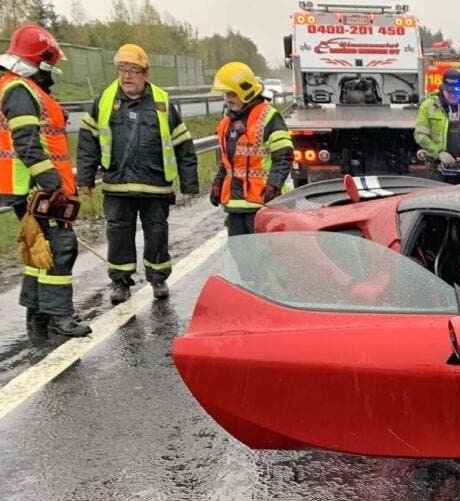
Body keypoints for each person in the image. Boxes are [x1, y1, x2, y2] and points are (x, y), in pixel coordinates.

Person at [76, 44, 200, 304]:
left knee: (156, 234)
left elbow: (182, 143)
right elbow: (88, 141)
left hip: (155, 186)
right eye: (122, 69)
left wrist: (189, 183)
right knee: (119, 235)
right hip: (117, 186)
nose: (126, 76)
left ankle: (158, 278)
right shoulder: (105, 101)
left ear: (145, 74)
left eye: (133, 70)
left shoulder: (162, 102)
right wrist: (85, 178)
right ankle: (120, 282)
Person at [0, 25, 91, 340]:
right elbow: (27, 144)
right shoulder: (20, 90)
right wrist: (52, 185)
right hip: (36, 188)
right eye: (50, 63)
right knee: (60, 248)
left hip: (30, 187)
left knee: (42, 251)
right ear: (41, 60)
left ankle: (38, 317)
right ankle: (58, 317)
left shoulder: (19, 87)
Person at [209, 62, 293, 236]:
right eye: (226, 94)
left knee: (265, 256)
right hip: (235, 206)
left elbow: (284, 156)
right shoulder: (226, 123)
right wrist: (218, 183)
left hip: (263, 205)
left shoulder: (268, 117)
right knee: (240, 255)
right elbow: (227, 162)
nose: (228, 99)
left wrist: (274, 185)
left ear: (245, 91)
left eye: (232, 94)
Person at [414, 68, 460, 182]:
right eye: (449, 92)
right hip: (438, 168)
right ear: (442, 88)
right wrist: (439, 153)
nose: (453, 95)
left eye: (456, 92)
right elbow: (420, 135)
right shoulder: (429, 105)